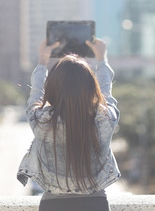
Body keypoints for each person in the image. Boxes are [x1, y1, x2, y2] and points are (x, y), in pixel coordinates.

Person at [17, 38, 121, 211]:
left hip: (52, 205)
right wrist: (102, 58)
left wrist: (43, 59)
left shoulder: (41, 120)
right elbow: (105, 92)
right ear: (90, 87)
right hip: (96, 204)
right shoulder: (104, 118)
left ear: (53, 88)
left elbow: (36, 94)